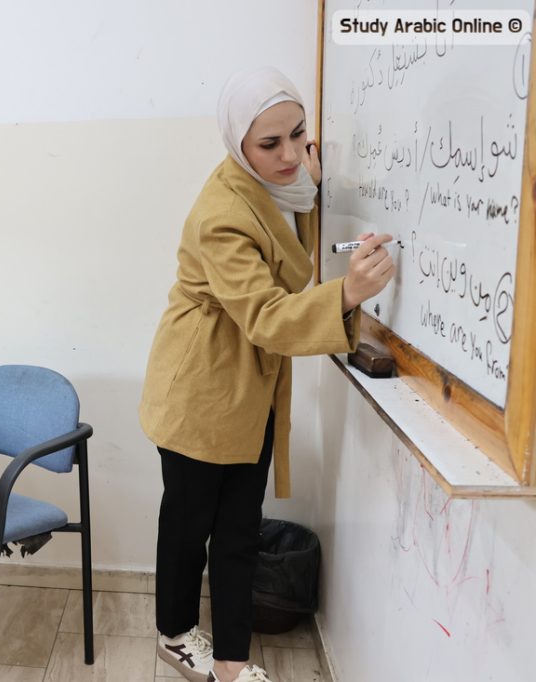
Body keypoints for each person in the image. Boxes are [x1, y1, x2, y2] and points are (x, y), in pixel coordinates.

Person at [139, 67, 395, 682]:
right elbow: (266, 315)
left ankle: (230, 661)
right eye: (270, 143)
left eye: (298, 135)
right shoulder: (222, 214)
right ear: (238, 143)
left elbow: (289, 259)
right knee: (188, 526)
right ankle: (174, 634)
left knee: (239, 529)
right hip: (201, 384)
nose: (289, 156)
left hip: (250, 384)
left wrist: (310, 183)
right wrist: (347, 294)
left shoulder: (286, 188)